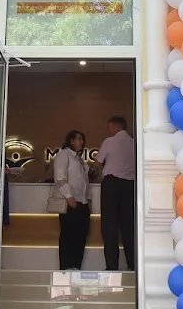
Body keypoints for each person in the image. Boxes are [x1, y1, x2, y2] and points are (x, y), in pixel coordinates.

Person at [95, 115, 136, 271]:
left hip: (111, 185)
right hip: (130, 186)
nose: (108, 131)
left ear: (116, 127)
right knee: (129, 226)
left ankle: (112, 265)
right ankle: (132, 264)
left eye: (109, 127)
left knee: (109, 226)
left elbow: (98, 163)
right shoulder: (134, 143)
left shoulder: (109, 142)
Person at [53, 130, 91, 271]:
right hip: (70, 202)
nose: (81, 142)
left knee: (80, 235)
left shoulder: (78, 159)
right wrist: (69, 196)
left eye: (82, 139)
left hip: (82, 202)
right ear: (71, 140)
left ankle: (75, 267)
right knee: (68, 235)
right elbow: (59, 177)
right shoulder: (64, 155)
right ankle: (66, 267)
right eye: (78, 139)